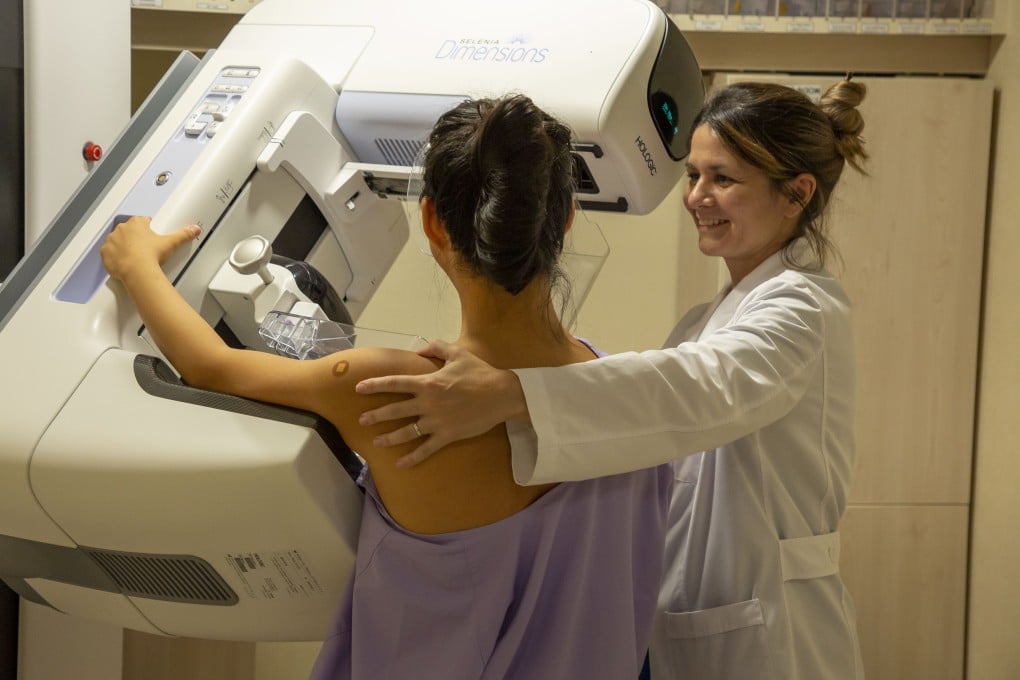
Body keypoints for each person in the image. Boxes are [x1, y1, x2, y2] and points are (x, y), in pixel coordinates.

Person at [100, 94, 672, 679]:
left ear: (431, 221)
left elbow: (211, 367)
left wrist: (136, 263)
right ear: (567, 219)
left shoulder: (393, 389)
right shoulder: (632, 400)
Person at [356, 78, 869, 680]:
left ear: (797, 193)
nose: (698, 196)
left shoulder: (803, 309)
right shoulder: (705, 321)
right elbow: (642, 421)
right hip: (689, 631)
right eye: (694, 175)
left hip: (775, 646)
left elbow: (698, 389)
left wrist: (510, 393)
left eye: (723, 179)